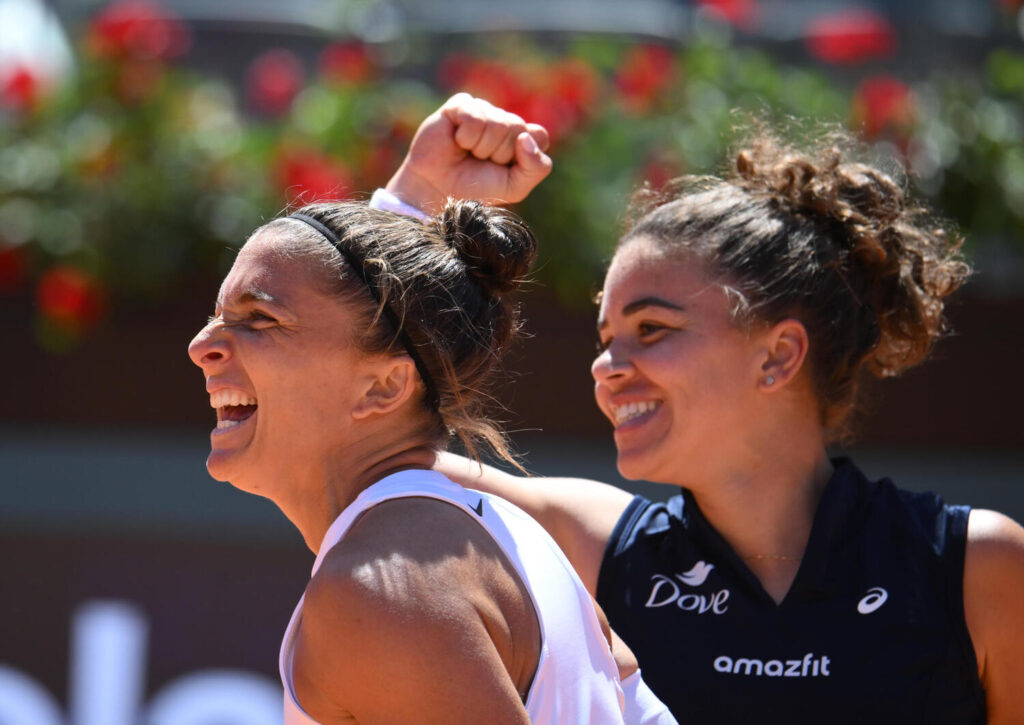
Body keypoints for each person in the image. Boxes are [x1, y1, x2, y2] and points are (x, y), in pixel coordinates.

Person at [382, 93, 1024, 724]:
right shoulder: (593, 548)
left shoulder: (977, 565)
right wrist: (414, 202)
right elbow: (368, 452)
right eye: (607, 341)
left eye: (652, 329)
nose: (606, 368)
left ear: (777, 355)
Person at [186, 182, 676, 723]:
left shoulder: (380, 589)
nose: (202, 345)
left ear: (384, 388)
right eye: (217, 315)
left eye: (260, 318)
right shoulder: (509, 540)